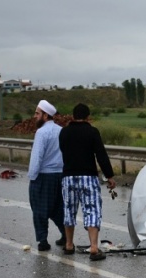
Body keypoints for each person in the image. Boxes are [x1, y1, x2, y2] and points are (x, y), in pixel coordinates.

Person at [59, 103, 116, 261]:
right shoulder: (92, 132)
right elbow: (101, 155)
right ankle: (94, 247)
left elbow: (63, 152)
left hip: (68, 177)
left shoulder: (64, 132)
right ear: (88, 117)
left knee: (69, 210)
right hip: (88, 177)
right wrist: (109, 176)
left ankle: (69, 245)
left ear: (73, 116)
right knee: (92, 210)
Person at [27, 100, 66, 251]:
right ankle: (66, 236)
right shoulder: (61, 130)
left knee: (39, 209)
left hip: (43, 176)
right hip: (60, 175)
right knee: (58, 208)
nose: (35, 116)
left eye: (37, 113)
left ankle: (43, 240)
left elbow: (37, 157)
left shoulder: (41, 132)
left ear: (45, 115)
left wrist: (32, 176)